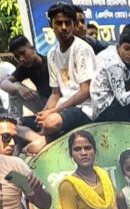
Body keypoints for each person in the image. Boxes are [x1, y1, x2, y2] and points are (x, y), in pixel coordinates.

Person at [38, 3, 96, 139]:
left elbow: (85, 91)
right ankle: (40, 139)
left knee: (51, 123)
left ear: (73, 24)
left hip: (85, 108)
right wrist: (43, 113)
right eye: (59, 23)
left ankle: (40, 140)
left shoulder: (81, 49)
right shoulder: (52, 54)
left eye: (67, 23)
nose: (64, 28)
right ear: (50, 25)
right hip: (63, 108)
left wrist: (54, 111)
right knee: (19, 125)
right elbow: (55, 93)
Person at [2, 36, 52, 114]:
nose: (21, 59)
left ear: (31, 47)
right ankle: (15, 121)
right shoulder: (24, 68)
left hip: (60, 101)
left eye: (23, 53)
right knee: (14, 86)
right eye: (17, 57)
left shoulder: (51, 61)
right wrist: (18, 87)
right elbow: (4, 83)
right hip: (43, 104)